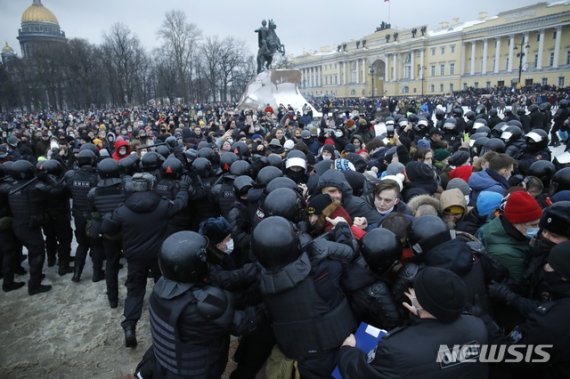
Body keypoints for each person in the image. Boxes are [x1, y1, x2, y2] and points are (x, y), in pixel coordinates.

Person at [134, 231, 262, 379]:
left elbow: (221, 279)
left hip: (163, 366)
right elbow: (245, 322)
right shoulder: (201, 306)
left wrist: (252, 271)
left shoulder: (163, 287)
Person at [252, 216, 356, 379]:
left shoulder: (261, 281)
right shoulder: (321, 271)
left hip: (302, 357)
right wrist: (342, 226)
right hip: (338, 348)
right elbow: (349, 251)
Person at [338, 267, 488, 378]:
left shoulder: (395, 349)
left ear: (424, 303)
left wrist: (348, 351)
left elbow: (360, 374)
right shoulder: (477, 326)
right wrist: (422, 315)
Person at [102, 172, 189, 348]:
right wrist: (184, 189)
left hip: (135, 257)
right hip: (159, 255)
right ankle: (167, 323)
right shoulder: (163, 205)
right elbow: (180, 205)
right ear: (152, 185)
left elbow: (107, 228)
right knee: (165, 286)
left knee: (135, 291)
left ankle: (129, 326)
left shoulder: (122, 210)